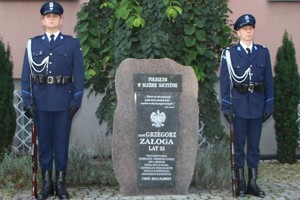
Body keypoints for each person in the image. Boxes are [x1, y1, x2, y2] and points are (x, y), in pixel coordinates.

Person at [21, 1, 85, 199]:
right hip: (40, 103)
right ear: (42, 20)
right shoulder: (33, 44)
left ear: (61, 20)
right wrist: (27, 101)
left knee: (61, 144)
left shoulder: (72, 44)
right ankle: (47, 185)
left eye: (55, 16)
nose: (51, 18)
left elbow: (79, 76)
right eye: (48, 16)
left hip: (63, 104)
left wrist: (76, 101)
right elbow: (25, 76)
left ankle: (61, 185)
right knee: (45, 145)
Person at [220, 14, 274, 198]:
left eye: (251, 28)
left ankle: (253, 182)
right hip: (239, 106)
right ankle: (241, 182)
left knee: (254, 147)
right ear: (238, 32)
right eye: (244, 29)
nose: (248, 31)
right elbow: (225, 82)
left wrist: (269, 105)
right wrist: (226, 106)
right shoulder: (230, 54)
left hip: (258, 106)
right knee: (239, 145)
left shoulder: (263, 52)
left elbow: (269, 81)